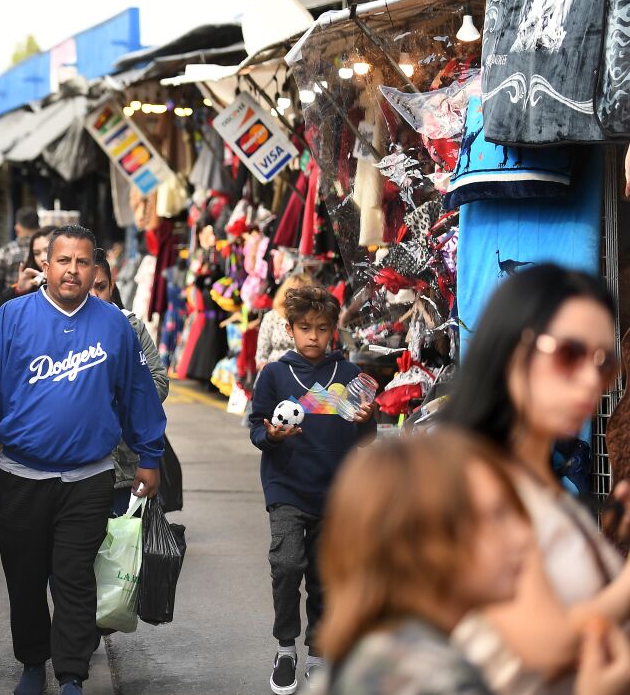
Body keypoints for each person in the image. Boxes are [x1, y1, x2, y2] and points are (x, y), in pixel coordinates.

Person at [0, 224, 167, 695]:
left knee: (74, 579)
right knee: (25, 579)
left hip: (90, 476)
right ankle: (31, 663)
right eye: (64, 261)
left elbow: (138, 393)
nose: (72, 270)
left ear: (95, 269)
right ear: (46, 265)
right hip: (21, 476)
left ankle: (71, 674)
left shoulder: (114, 325)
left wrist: (150, 453)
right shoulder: (13, 317)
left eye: (83, 262)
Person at [317, 430, 630, 695]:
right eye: (496, 518)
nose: (523, 536)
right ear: (428, 544)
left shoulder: (387, 657)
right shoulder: (426, 677)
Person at [441, 265, 630, 693]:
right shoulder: (475, 479)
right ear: (512, 349)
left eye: (605, 364)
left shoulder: (541, 478)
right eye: (569, 355)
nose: (590, 382)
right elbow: (549, 643)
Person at [247, 285, 377, 694]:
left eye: (322, 328)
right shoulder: (274, 374)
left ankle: (318, 653)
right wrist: (272, 436)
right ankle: (286, 648)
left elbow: (366, 436)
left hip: (336, 493)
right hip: (285, 487)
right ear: (289, 328)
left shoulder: (351, 376)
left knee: (324, 578)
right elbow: (255, 427)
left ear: (333, 331)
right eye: (305, 328)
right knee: (286, 566)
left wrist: (366, 421)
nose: (313, 336)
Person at [92, 247, 169, 515]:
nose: (94, 296)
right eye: (87, 288)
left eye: (100, 287)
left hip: (125, 465)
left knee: (124, 547)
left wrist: (117, 395)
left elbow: (159, 382)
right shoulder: (61, 329)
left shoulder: (130, 327)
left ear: (112, 287)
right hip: (76, 467)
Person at [0, 226, 55, 320]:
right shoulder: (33, 282)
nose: (42, 258)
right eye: (36, 253)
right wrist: (17, 290)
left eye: (47, 250)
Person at [256, 273, 314, 371]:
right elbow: (261, 357)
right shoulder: (271, 317)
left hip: (305, 376)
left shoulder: (314, 319)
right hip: (274, 375)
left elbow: (323, 352)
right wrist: (270, 375)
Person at [0, 206, 41, 303]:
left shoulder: (6, 251)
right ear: (39, 227)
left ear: (17, 228)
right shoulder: (47, 250)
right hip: (41, 306)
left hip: (12, 304)